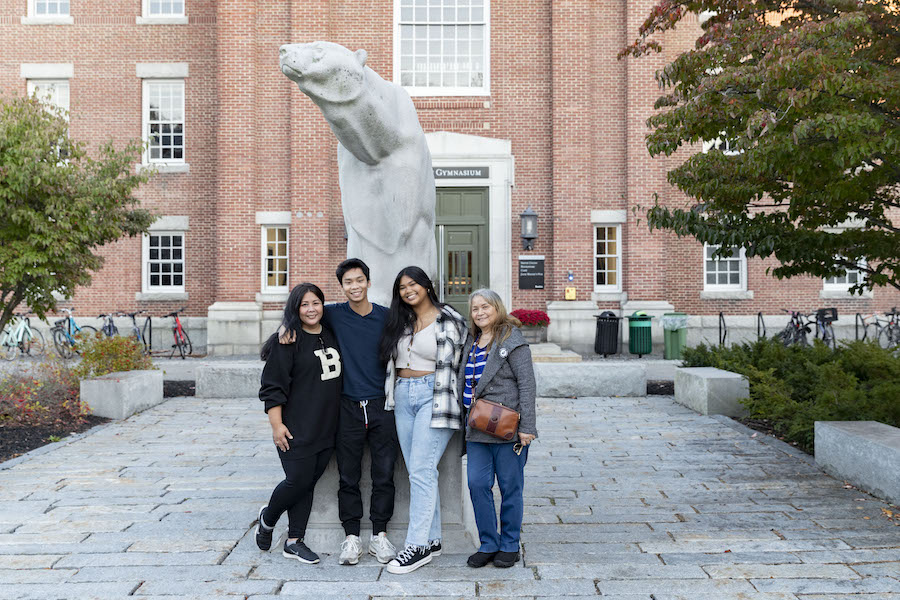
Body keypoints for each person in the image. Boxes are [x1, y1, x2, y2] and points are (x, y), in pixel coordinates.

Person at [279, 258, 398, 566]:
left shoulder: (386, 317)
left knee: (384, 474)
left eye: (359, 280)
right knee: (349, 476)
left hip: (381, 406)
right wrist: (286, 327)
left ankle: (380, 536)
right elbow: (304, 312)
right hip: (347, 408)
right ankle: (351, 537)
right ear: (342, 286)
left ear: (368, 283)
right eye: (348, 282)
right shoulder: (333, 314)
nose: (354, 286)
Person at [378, 266, 468, 574]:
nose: (407, 290)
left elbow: (464, 363)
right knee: (419, 471)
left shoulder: (450, 319)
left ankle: (415, 546)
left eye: (413, 283)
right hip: (402, 395)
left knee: (421, 470)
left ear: (427, 286)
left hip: (436, 394)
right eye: (402, 287)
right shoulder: (400, 321)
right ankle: (432, 539)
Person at [255, 283, 343, 564]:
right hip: (295, 427)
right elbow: (272, 388)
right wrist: (276, 425)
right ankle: (268, 518)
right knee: (298, 480)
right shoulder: (288, 341)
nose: (311, 309)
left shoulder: (331, 332)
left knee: (307, 484)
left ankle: (294, 541)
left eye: (316, 303)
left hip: (327, 426)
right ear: (295, 308)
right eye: (304, 304)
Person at [458, 288, 537, 569]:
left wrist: (527, 427)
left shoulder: (512, 340)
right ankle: (489, 543)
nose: (480, 312)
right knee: (477, 484)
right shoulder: (471, 341)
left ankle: (510, 544)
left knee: (510, 487)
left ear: (497, 308)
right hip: (477, 428)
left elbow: (527, 385)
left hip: (508, 430)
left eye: (485, 307)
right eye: (475, 308)